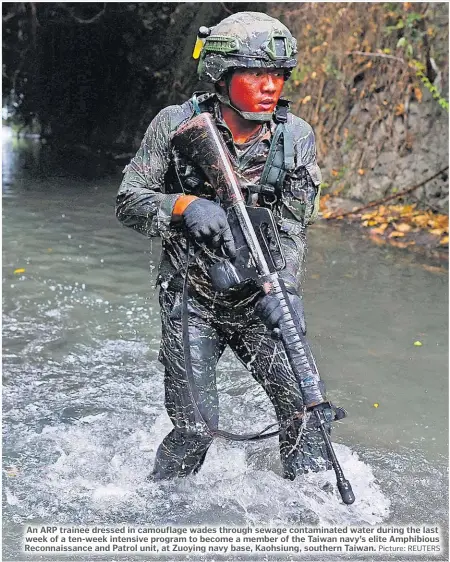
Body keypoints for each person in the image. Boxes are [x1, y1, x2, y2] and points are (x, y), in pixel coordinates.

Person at [116, 11, 342, 481]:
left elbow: (292, 228)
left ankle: (312, 514)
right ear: (222, 74)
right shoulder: (175, 124)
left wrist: (286, 294)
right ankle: (162, 514)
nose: (271, 85)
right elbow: (129, 202)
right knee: (196, 429)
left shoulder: (294, 136)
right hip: (191, 300)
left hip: (259, 297)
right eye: (257, 72)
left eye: (279, 74)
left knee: (306, 409)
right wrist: (182, 207)